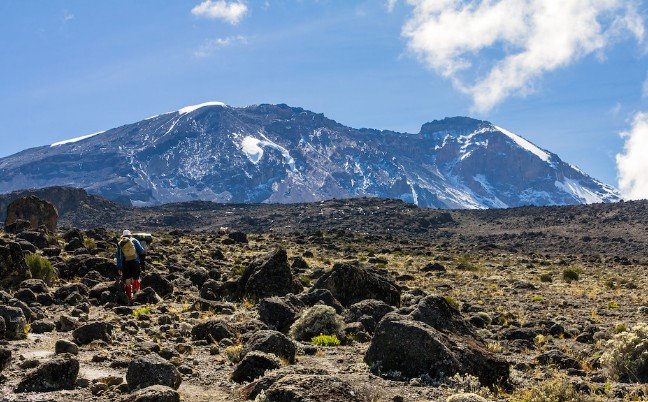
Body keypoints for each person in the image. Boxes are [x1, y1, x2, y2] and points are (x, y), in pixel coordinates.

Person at [115, 229, 145, 301]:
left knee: (127, 279)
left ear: (123, 236)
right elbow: (142, 251)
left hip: (125, 263)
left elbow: (119, 257)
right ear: (130, 235)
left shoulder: (120, 243)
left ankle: (129, 297)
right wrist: (142, 263)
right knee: (136, 278)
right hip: (135, 262)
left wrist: (119, 267)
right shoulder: (135, 241)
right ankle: (136, 295)